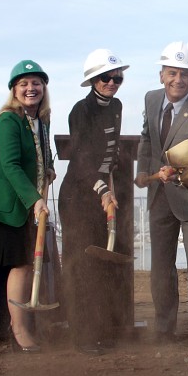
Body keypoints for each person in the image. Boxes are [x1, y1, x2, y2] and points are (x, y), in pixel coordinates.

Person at [135, 42, 188, 351]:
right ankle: (164, 326)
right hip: (158, 194)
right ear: (161, 75)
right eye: (172, 73)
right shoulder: (151, 99)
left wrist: (170, 169)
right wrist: (144, 173)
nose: (178, 80)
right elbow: (147, 138)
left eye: (185, 74)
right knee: (161, 265)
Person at [58, 48, 128, 355]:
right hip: (78, 197)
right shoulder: (80, 111)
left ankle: (100, 331)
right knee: (81, 267)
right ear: (92, 81)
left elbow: (109, 153)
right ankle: (82, 336)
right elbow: (83, 157)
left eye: (117, 78)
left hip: (102, 195)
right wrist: (102, 188)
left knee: (101, 265)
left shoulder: (117, 106)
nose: (112, 83)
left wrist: (113, 165)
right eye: (105, 78)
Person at [0, 60, 54, 353]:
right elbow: (10, 166)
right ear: (14, 89)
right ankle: (19, 329)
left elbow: (42, 155)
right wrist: (34, 199)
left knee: (31, 263)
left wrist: (48, 170)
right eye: (23, 84)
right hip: (14, 206)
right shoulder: (8, 121)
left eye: (36, 83)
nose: (30, 88)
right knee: (22, 265)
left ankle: (27, 323)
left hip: (31, 204)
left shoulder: (42, 120)